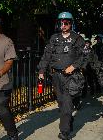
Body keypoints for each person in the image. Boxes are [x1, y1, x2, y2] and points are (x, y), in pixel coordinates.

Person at [37, 12, 85, 140]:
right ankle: (68, 121)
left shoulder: (77, 38)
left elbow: (84, 56)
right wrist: (41, 71)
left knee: (67, 105)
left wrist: (74, 66)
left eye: (66, 23)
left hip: (71, 77)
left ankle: (64, 132)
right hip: (56, 76)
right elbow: (46, 55)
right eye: (61, 23)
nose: (64, 25)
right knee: (61, 104)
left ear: (71, 24)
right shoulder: (54, 38)